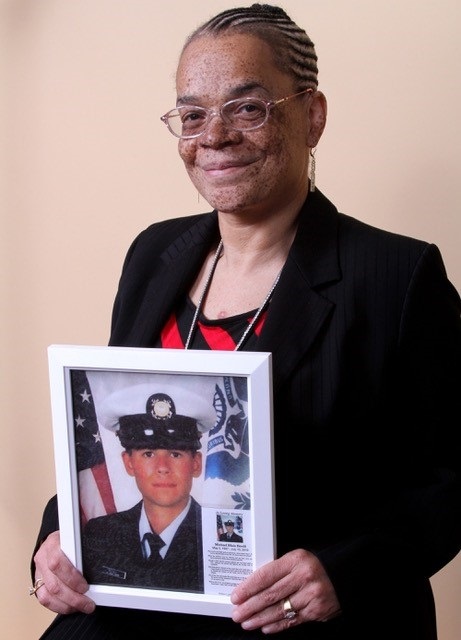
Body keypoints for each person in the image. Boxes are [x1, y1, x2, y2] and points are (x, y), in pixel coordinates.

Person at [31, 3, 461, 639]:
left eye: (247, 107)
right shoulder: (154, 253)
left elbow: (454, 477)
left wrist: (341, 573)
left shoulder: (397, 275)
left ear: (311, 116)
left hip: (295, 619)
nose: (215, 135)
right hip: (148, 596)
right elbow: (98, 436)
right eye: (193, 114)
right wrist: (56, 538)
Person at [81, 391, 206, 592]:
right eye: (148, 454)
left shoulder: (217, 539)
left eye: (175, 454)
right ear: (128, 463)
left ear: (196, 464)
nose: (162, 467)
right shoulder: (101, 534)